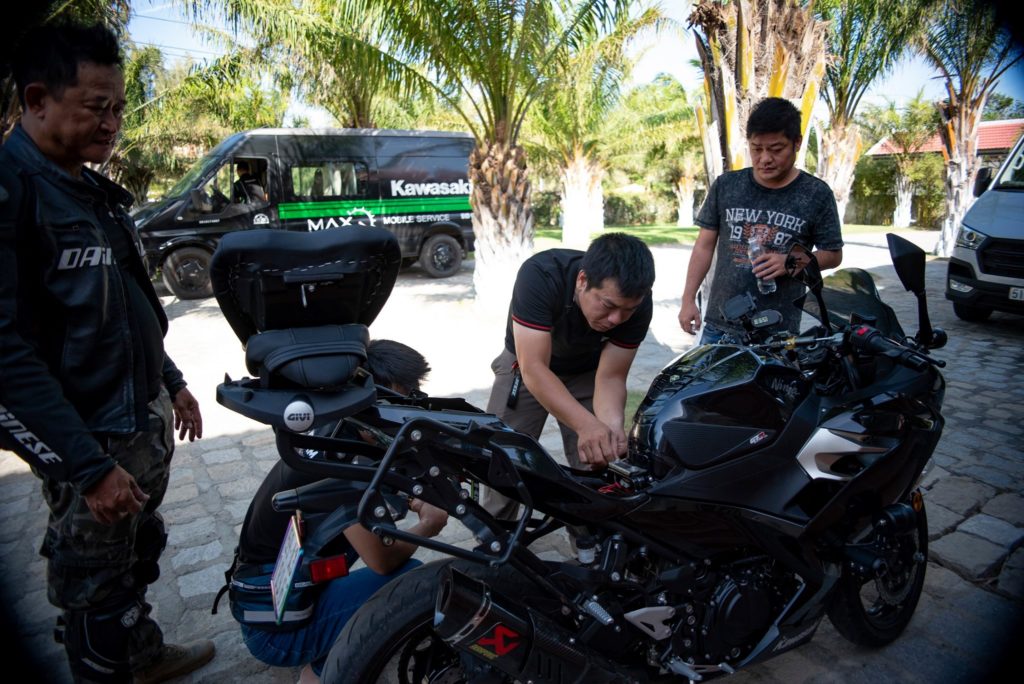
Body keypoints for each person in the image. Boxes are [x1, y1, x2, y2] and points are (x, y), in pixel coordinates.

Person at [0, 22, 214, 684]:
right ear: (38, 100)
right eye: (97, 107)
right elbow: (4, 359)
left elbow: (126, 306)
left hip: (134, 423)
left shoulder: (87, 191)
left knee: (132, 556)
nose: (113, 124)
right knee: (92, 583)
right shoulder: (15, 194)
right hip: (89, 439)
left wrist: (171, 381)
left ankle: (140, 655)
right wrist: (89, 469)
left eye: (119, 108)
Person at [229, 339, 447, 684]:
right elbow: (383, 560)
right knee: (411, 581)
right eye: (398, 401)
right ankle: (322, 671)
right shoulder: (342, 466)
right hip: (274, 629)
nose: (404, 411)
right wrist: (427, 526)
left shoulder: (332, 428)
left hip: (268, 594)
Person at [482, 233, 656, 519]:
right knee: (503, 454)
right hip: (526, 364)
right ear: (582, 280)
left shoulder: (637, 303)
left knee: (598, 459)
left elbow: (611, 377)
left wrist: (611, 427)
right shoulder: (541, 275)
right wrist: (586, 424)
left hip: (587, 369)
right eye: (608, 305)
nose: (616, 319)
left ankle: (590, 538)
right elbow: (534, 367)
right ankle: (496, 532)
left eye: (627, 310)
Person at [678, 97, 844, 344]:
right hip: (719, 325)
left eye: (776, 149)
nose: (765, 158)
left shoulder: (816, 194)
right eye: (756, 149)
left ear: (797, 143)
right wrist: (688, 299)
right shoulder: (727, 186)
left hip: (778, 332)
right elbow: (704, 246)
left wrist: (789, 262)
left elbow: (833, 255)